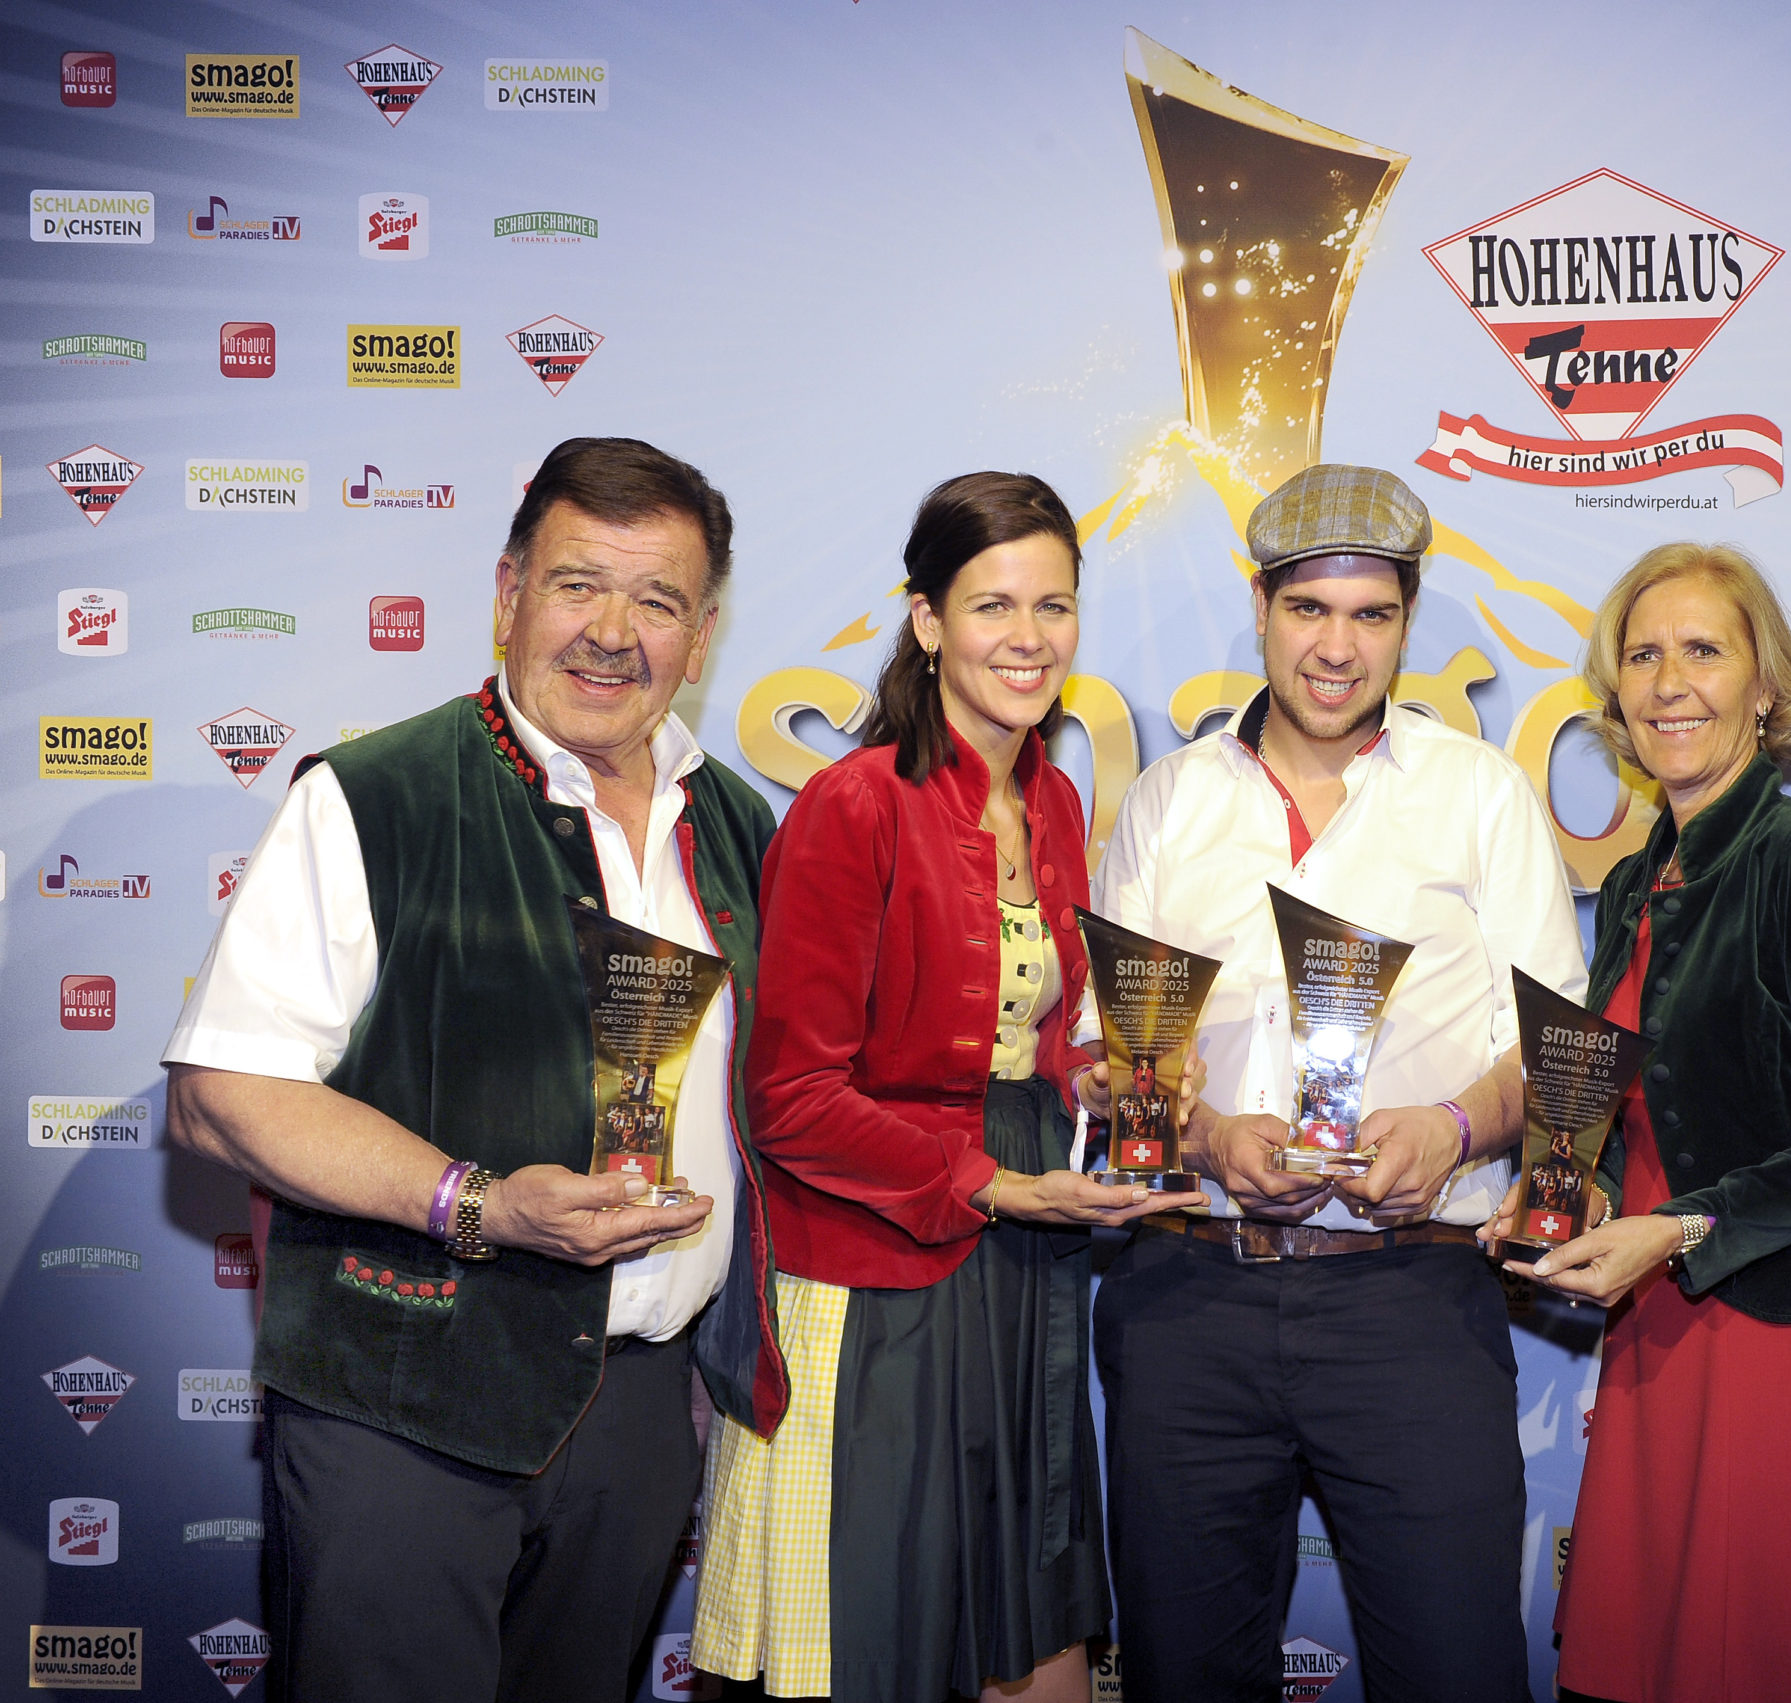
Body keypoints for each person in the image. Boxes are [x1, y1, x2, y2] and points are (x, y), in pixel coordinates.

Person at [160, 437, 781, 1703]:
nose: (612, 633)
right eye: (576, 584)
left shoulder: (736, 820)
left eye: (657, 600)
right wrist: (477, 1201)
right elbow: (223, 1095)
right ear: (508, 594)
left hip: (639, 1408)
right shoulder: (373, 795)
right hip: (406, 1401)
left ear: (702, 635)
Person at [1086, 463, 1586, 1703]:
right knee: (1182, 1677)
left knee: (1458, 1673)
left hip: (1409, 1302)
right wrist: (1205, 1135)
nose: (1337, 646)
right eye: (1309, 608)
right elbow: (1121, 1059)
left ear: (1407, 623)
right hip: (1189, 1300)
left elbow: (1556, 1052)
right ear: (1259, 607)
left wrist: (1454, 1125)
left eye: (1372, 614)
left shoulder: (1480, 796)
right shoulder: (1167, 800)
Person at [692, 472, 1189, 1703]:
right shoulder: (853, 801)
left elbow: (1030, 1036)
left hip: (1021, 1270)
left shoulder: (1055, 798)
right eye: (991, 605)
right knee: (878, 1637)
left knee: (1031, 1636)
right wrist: (991, 1182)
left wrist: (1109, 1086)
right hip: (877, 1271)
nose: (1029, 637)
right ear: (926, 620)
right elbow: (790, 1096)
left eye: (1053, 605)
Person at [1487, 543, 1791, 1703]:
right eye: (1643, 655)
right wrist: (1567, 1194)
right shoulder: (1637, 883)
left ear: (1764, 685)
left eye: (1703, 649)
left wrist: (1678, 1227)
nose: (1669, 681)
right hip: (1660, 1325)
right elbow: (1634, 1114)